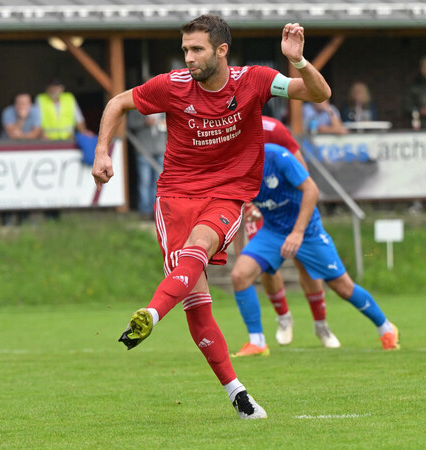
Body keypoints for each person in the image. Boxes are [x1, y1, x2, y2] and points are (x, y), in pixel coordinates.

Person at [92, 15, 332, 419]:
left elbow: (318, 95)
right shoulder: (173, 86)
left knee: (200, 246)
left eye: (197, 49)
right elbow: (118, 103)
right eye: (185, 49)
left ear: (221, 50)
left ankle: (150, 313)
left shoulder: (254, 80)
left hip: (226, 195)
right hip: (174, 199)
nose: (189, 57)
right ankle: (239, 395)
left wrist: (299, 62)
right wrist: (103, 153)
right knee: (198, 307)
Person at [230, 143, 399, 356]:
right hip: (272, 231)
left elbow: (312, 189)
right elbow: (236, 208)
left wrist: (298, 233)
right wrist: (240, 252)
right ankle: (258, 342)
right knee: (239, 275)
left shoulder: (277, 156)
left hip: (307, 231)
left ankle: (386, 328)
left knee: (343, 287)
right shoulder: (233, 166)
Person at [231, 116, 340, 356]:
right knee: (264, 266)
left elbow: (301, 168)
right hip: (259, 209)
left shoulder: (274, 128)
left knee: (304, 262)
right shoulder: (227, 128)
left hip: (287, 204)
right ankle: (283, 317)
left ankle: (321, 325)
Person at [126, 109, 166, 217]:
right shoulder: (136, 108)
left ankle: (156, 210)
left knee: (159, 182)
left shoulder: (164, 107)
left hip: (160, 149)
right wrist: (144, 122)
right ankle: (145, 210)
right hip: (143, 149)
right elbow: (127, 124)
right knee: (144, 181)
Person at [403, 55, 426, 127]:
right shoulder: (415, 86)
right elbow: (407, 107)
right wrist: (420, 110)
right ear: (422, 69)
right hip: (421, 126)